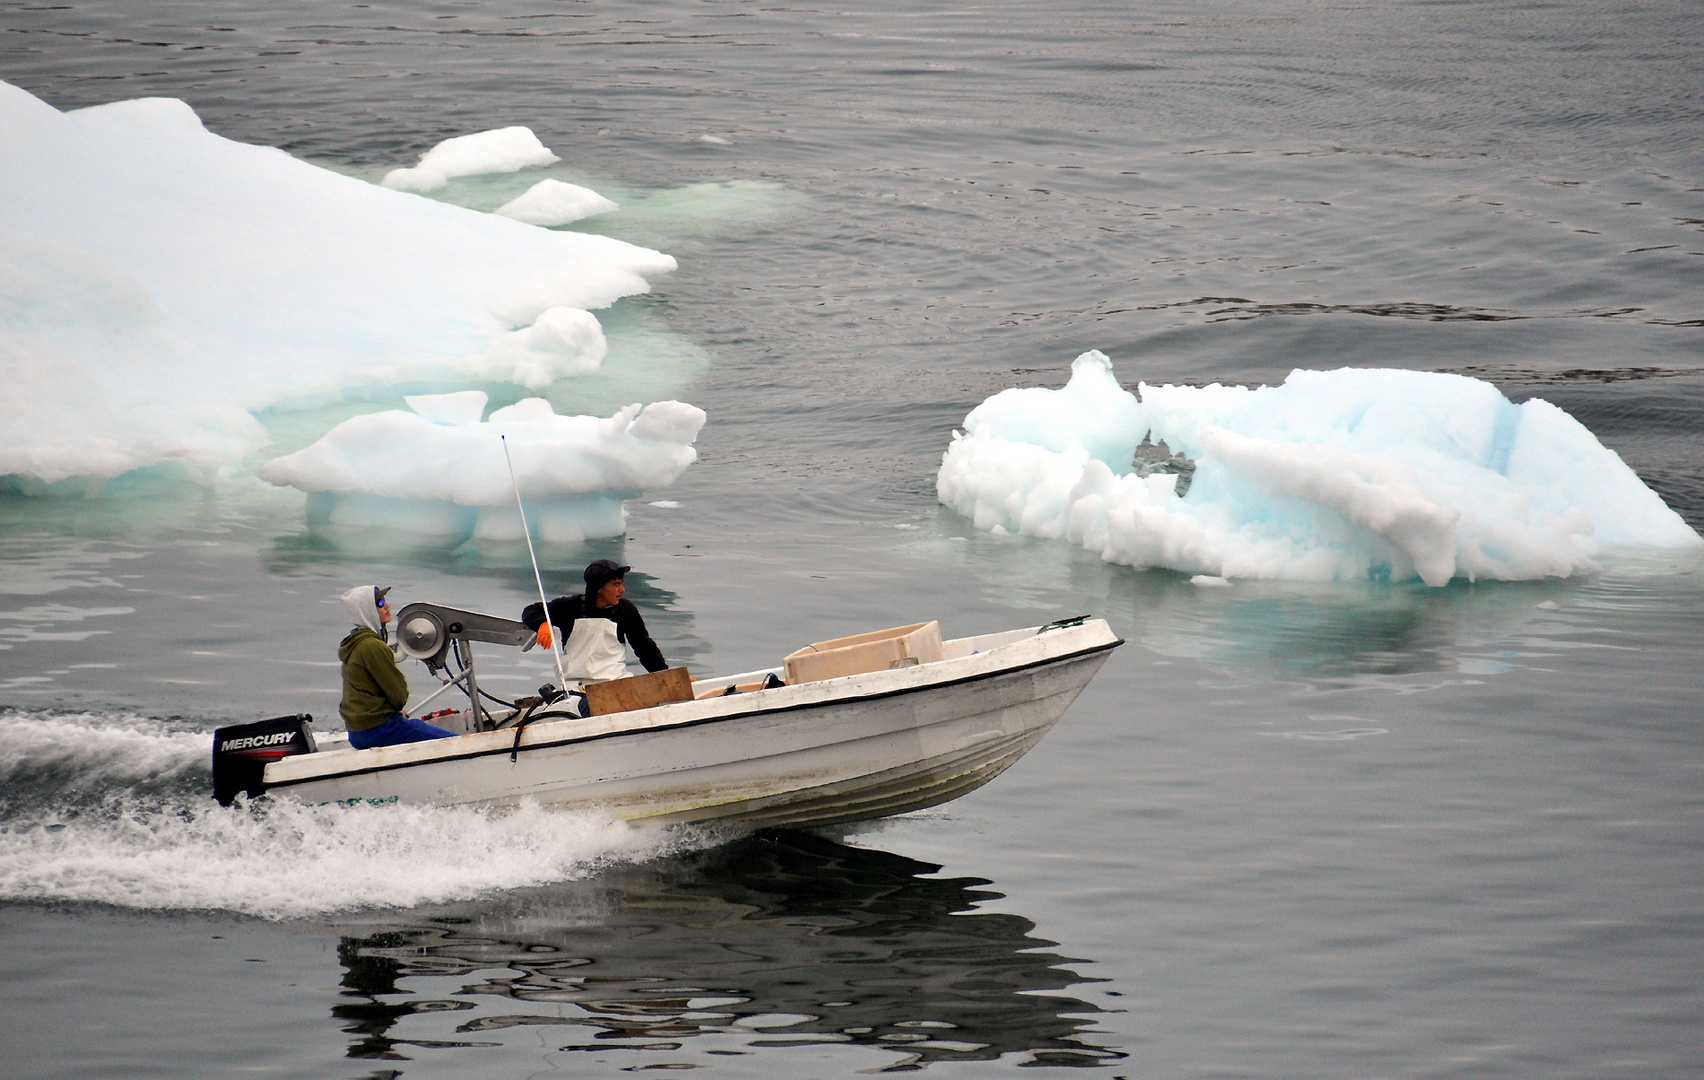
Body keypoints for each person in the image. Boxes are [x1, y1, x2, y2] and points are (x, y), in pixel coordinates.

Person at [338, 585, 456, 750]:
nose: (387, 606)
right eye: (380, 604)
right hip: (379, 729)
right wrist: (393, 711)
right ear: (367, 610)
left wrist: (389, 711)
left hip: (357, 732)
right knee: (454, 742)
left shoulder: (354, 643)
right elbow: (398, 695)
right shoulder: (373, 646)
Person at [521, 559, 667, 684]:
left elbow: (645, 648)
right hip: (575, 685)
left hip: (616, 683)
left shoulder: (626, 610)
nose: (622, 590)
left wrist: (667, 677)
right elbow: (531, 610)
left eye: (621, 583)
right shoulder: (571, 606)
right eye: (616, 584)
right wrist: (543, 624)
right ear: (598, 588)